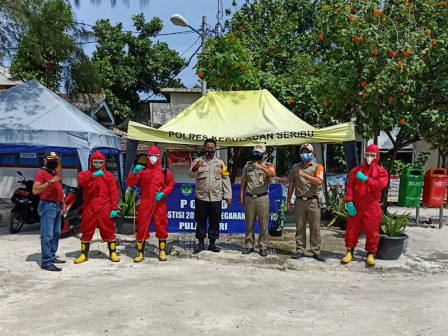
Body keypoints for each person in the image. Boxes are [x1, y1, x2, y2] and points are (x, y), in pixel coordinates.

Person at [341, 144, 388, 266]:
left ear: (377, 156)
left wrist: (366, 179)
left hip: (372, 207)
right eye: (367, 155)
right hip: (356, 206)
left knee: (372, 230)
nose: (369, 157)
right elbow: (349, 187)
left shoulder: (382, 172)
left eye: (372, 155)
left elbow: (379, 185)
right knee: (351, 230)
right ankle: (349, 252)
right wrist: (350, 202)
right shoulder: (355, 171)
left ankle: (371, 253)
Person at [126, 146, 175, 262]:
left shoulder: (165, 171)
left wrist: (163, 193)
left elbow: (171, 184)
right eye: (151, 156)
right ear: (147, 157)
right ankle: (140, 253)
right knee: (142, 227)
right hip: (145, 202)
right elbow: (130, 183)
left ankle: (162, 251)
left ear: (159, 157)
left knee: (161, 226)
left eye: (156, 156)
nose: (153, 158)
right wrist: (134, 172)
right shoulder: (143, 171)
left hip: (159, 203)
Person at [74, 150, 120, 264]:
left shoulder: (108, 176)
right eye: (95, 161)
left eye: (100, 161)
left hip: (105, 206)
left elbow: (114, 192)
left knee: (108, 229)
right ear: (91, 161)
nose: (98, 163)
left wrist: (114, 208)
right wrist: (93, 175)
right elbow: (82, 181)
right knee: (86, 229)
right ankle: (84, 254)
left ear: (104, 162)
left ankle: (113, 252)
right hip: (89, 207)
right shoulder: (85, 174)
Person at [188, 138, 232, 253]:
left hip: (216, 197)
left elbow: (225, 179)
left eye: (212, 148)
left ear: (215, 149)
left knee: (215, 220)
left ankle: (213, 243)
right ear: (204, 148)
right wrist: (196, 166)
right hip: (201, 197)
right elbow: (190, 175)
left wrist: (228, 195)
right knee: (200, 220)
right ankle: (201, 243)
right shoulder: (198, 161)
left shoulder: (220, 163)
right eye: (208, 148)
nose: (210, 150)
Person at [287, 144, 326, 262]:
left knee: (315, 228)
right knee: (300, 227)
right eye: (303, 151)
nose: (305, 154)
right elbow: (291, 184)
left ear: (312, 153)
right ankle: (300, 250)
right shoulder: (295, 168)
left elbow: (319, 181)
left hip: (313, 201)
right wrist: (289, 200)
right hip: (299, 201)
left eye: (307, 151)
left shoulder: (318, 167)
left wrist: (304, 175)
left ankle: (315, 251)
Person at [32, 151, 66, 271]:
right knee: (47, 234)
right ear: (45, 161)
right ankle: (46, 262)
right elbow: (35, 190)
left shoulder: (55, 172)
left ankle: (51, 256)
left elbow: (59, 187)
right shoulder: (41, 173)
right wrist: (50, 181)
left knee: (56, 233)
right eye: (51, 160)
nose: (54, 162)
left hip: (57, 205)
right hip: (47, 206)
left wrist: (62, 201)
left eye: (55, 160)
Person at [240, 144, 276, 257]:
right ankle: (249, 245)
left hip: (263, 198)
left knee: (263, 223)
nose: (257, 154)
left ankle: (263, 246)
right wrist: (241, 196)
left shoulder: (268, 165)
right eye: (255, 152)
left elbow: (272, 174)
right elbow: (244, 182)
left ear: (264, 154)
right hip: (250, 197)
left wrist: (260, 167)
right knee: (249, 223)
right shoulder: (248, 166)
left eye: (259, 152)